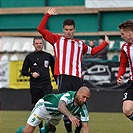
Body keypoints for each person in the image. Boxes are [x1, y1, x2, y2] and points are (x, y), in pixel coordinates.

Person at [37, 8, 110, 133]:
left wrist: (105, 44)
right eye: (66, 30)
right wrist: (48, 15)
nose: (68, 32)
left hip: (77, 77)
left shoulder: (80, 44)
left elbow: (92, 51)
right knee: (64, 104)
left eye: (71, 30)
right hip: (63, 76)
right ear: (63, 29)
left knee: (79, 105)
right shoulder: (57, 40)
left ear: (74, 30)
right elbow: (41, 29)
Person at [16, 86, 91, 133]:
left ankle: (43, 131)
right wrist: (70, 116)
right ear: (77, 94)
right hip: (43, 108)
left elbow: (85, 127)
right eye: (83, 97)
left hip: (57, 114)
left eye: (87, 98)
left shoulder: (84, 107)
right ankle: (19, 131)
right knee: (27, 131)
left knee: (50, 127)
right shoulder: (69, 96)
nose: (84, 100)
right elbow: (61, 106)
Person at [21, 36, 56, 132]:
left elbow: (54, 71)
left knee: (48, 105)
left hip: (46, 85)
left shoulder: (48, 56)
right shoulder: (29, 57)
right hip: (35, 86)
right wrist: (32, 74)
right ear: (33, 45)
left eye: (40, 43)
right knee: (37, 106)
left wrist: (58, 82)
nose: (38, 45)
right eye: (36, 43)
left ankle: (49, 127)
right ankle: (41, 128)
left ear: (43, 44)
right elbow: (23, 71)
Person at [117, 19, 133, 121]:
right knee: (127, 110)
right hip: (132, 82)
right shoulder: (125, 47)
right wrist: (120, 76)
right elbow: (123, 65)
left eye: (123, 34)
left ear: (130, 33)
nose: (121, 36)